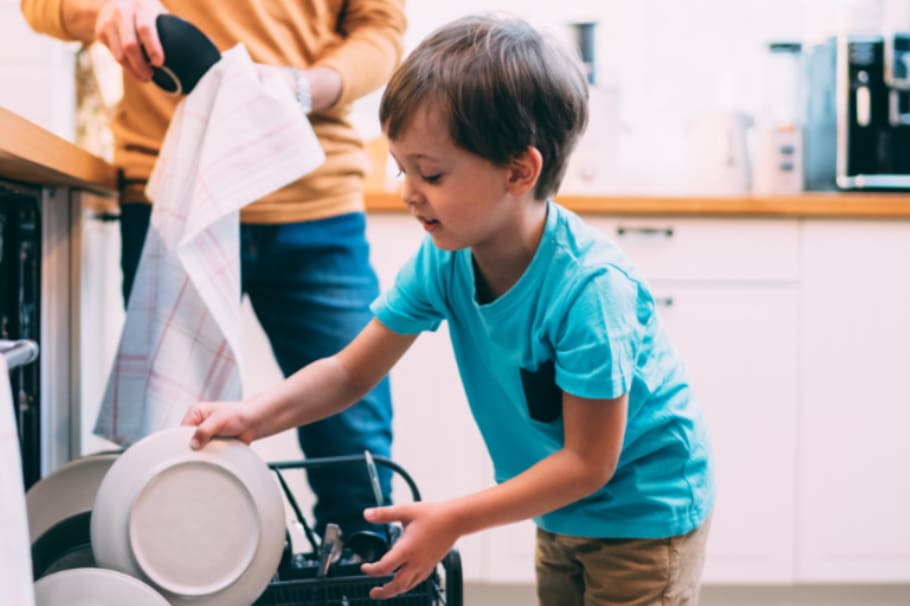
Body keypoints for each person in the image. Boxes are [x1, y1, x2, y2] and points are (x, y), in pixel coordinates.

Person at [182, 13, 715, 605]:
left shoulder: (591, 290)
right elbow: (350, 372)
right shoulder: (447, 259)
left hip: (642, 511)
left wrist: (454, 518)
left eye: (431, 173)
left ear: (519, 171)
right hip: (560, 506)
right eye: (402, 168)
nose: (408, 192)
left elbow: (589, 463)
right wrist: (252, 418)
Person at [20, 0, 406, 537]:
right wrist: (104, 11)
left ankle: (362, 565)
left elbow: (380, 30)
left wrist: (302, 87)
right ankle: (171, 562)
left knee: (352, 441)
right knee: (170, 431)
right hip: (173, 194)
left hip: (314, 196)